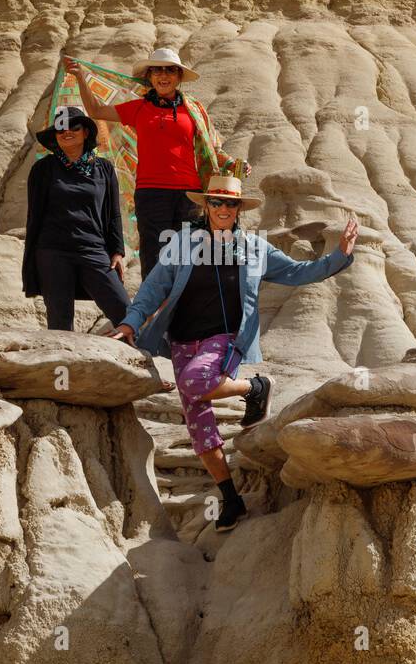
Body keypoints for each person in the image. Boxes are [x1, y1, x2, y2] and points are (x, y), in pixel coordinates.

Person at [110, 175, 359, 533]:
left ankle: (254, 388)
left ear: (239, 209)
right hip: (182, 342)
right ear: (205, 206)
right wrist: (131, 322)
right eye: (217, 202)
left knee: (195, 382)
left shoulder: (255, 248)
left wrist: (339, 256)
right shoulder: (183, 244)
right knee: (200, 431)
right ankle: (230, 497)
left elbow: (298, 272)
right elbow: (154, 287)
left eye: (230, 203)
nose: (223, 209)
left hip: (223, 339)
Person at [62, 48, 248, 282]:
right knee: (154, 257)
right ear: (149, 76)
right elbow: (96, 111)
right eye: (157, 70)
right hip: (151, 194)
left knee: (188, 257)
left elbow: (212, 148)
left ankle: (182, 312)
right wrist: (80, 78)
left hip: (190, 194)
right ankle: (153, 313)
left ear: (179, 77)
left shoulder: (194, 109)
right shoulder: (138, 107)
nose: (163, 75)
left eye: (170, 70)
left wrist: (234, 163)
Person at [22, 106, 130, 331]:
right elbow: (34, 216)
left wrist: (117, 251)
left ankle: (146, 359)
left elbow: (113, 213)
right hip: (53, 252)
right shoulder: (43, 169)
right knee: (60, 323)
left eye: (74, 127)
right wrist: (32, 259)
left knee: (125, 312)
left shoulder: (104, 168)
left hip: (93, 249)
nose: (66, 132)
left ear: (86, 133)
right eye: (60, 128)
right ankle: (62, 366)